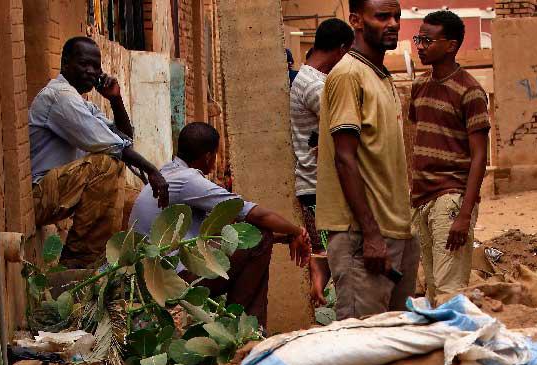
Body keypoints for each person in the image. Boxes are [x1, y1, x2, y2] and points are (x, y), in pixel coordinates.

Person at [130, 123, 311, 327]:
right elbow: (254, 214)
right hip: (173, 280)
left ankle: (243, 326)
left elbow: (221, 233)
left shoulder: (167, 173)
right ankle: (244, 328)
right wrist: (297, 231)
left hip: (152, 276)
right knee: (260, 238)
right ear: (208, 156)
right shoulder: (188, 180)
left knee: (260, 237)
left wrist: (285, 237)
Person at [316, 0, 418, 320]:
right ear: (356, 20)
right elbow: (344, 159)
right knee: (362, 336)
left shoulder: (381, 76)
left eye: (397, 17)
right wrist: (371, 234)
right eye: (382, 16)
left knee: (398, 335)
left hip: (396, 230)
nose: (393, 24)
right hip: (362, 236)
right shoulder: (348, 75)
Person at [29, 36, 169, 267]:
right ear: (65, 63)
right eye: (84, 64)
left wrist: (115, 99)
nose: (91, 72)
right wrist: (152, 170)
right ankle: (80, 260)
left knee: (131, 198)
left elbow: (124, 139)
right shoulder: (59, 97)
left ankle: (111, 262)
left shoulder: (81, 102)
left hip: (58, 195)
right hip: (37, 198)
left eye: (96, 66)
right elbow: (113, 146)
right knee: (105, 165)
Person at [409, 10, 490, 305]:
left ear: (451, 45)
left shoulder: (470, 91)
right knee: (433, 289)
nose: (420, 46)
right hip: (421, 198)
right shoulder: (419, 86)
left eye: (427, 41)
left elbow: (479, 156)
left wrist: (465, 214)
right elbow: (418, 137)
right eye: (418, 39)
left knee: (449, 291)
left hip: (451, 198)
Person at [290, 18, 354, 305]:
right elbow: (343, 128)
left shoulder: (310, 79)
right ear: (342, 49)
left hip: (317, 186)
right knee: (335, 258)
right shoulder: (315, 86)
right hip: (317, 187)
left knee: (330, 257)